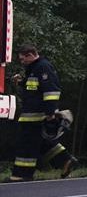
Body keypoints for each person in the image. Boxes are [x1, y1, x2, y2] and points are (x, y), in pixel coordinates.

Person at [4, 44, 78, 182]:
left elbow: (51, 91)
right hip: (32, 115)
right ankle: (66, 161)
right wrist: (22, 82)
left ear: (31, 55)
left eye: (23, 59)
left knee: (26, 145)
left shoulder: (43, 67)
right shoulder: (34, 68)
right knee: (43, 143)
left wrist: (50, 114)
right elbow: (34, 88)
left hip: (37, 116)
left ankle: (21, 175)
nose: (22, 62)